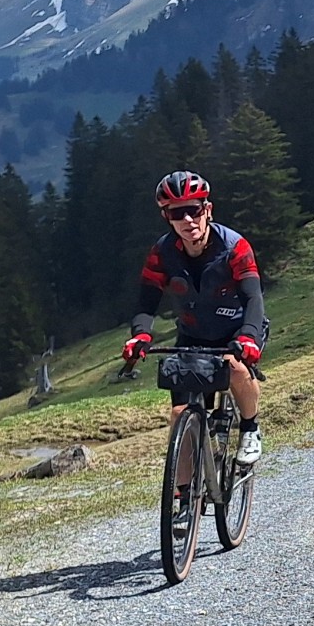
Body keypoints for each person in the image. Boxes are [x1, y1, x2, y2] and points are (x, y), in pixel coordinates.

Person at [122, 171, 268, 465]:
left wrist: (249, 336)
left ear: (207, 209)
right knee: (179, 414)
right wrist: (140, 334)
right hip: (193, 334)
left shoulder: (235, 247)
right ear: (167, 217)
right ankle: (183, 492)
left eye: (194, 210)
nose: (188, 220)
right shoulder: (161, 253)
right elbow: (147, 300)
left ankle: (250, 428)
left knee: (235, 368)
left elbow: (253, 297)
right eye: (177, 213)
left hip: (238, 330)